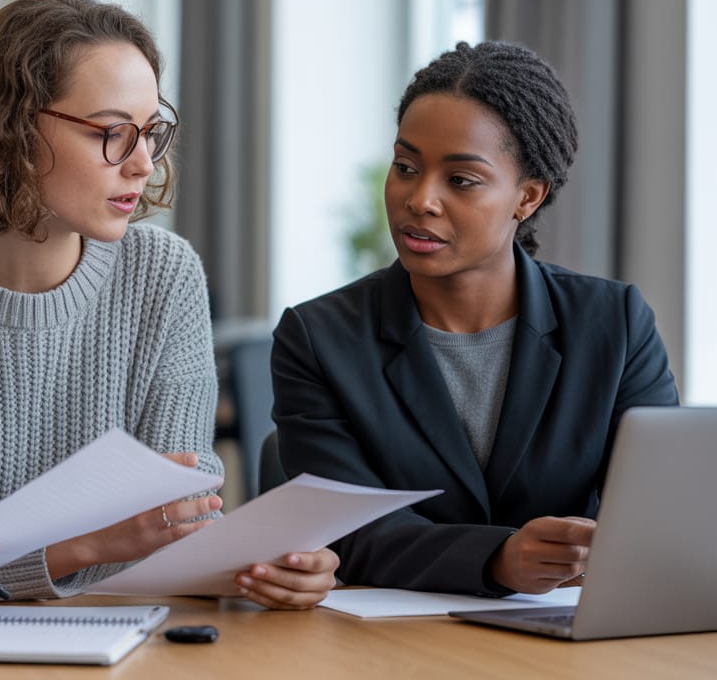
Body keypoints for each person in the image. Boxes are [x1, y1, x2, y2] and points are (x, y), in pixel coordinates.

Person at [0, 0, 338, 609]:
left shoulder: (164, 275)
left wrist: (267, 568)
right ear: (10, 126)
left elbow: (172, 525)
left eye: (150, 133)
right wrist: (92, 546)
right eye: (114, 133)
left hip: (136, 637)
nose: (144, 164)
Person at [271, 40, 679, 597]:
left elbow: (657, 513)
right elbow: (345, 532)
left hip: (570, 638)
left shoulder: (615, 323)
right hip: (387, 649)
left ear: (527, 198)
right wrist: (497, 559)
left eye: (460, 180)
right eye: (406, 167)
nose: (421, 200)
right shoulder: (319, 338)